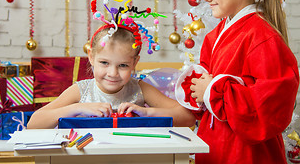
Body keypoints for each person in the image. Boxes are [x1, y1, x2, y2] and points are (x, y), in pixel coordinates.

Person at [174, 0, 299, 164]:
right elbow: (208, 88)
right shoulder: (216, 35)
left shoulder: (263, 38)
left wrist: (212, 89)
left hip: (246, 156)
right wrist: (201, 89)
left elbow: (270, 109)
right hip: (216, 148)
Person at [28, 22, 196, 129]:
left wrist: (147, 112)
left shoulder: (139, 88)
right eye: (104, 63)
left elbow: (188, 118)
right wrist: (77, 108)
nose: (113, 73)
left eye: (123, 65)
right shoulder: (81, 91)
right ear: (92, 57)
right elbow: (34, 123)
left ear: (135, 63)